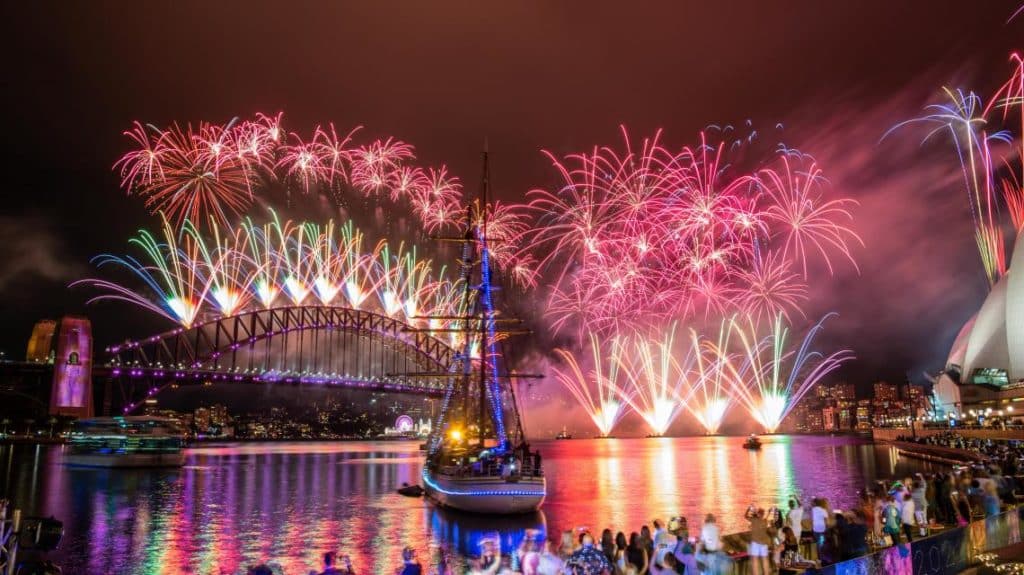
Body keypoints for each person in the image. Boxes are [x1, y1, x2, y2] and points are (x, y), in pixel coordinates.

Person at [745, 507, 772, 575]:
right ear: (763, 514)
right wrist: (768, 513)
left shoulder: (753, 520)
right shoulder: (765, 522)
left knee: (755, 560)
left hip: (755, 542)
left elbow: (745, 516)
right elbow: (765, 518)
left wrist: (748, 509)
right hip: (764, 543)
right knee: (765, 560)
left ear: (758, 514)